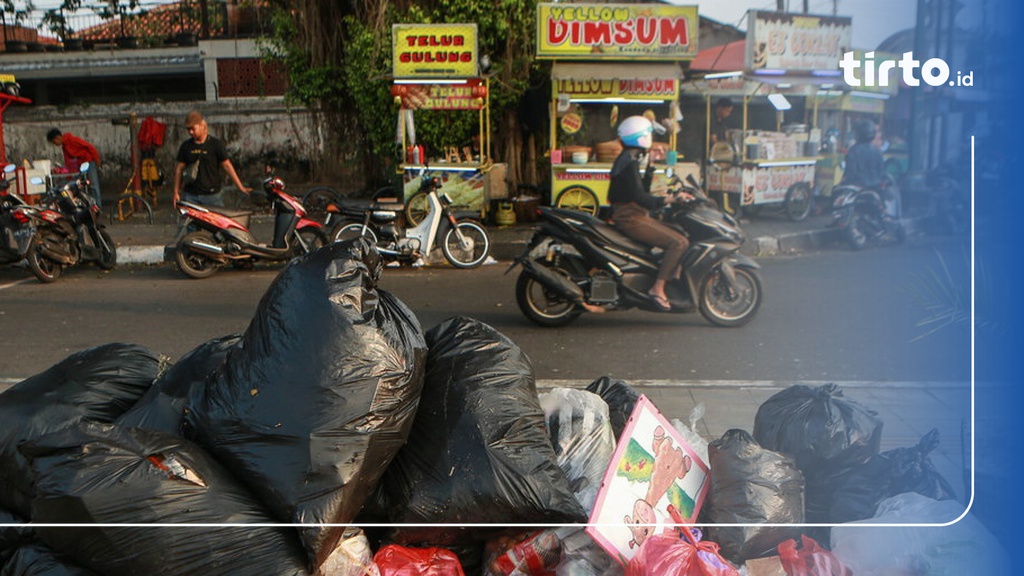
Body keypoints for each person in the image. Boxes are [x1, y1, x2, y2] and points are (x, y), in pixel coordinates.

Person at [608, 116, 692, 312]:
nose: (652, 138)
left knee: (680, 232)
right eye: (649, 134)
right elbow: (640, 198)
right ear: (641, 137)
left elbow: (640, 192)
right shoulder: (628, 162)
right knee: (679, 243)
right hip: (630, 217)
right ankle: (658, 288)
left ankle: (672, 275)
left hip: (634, 213)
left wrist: (651, 165)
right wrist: (668, 199)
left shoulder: (629, 158)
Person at [172, 110, 251, 207]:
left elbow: (227, 166)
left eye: (193, 128)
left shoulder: (215, 144)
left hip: (212, 196)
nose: (191, 132)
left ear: (201, 125)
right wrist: (176, 191)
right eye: (188, 129)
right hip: (190, 195)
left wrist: (240, 186)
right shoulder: (186, 146)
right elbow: (179, 169)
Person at [46, 127, 102, 207]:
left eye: (54, 142)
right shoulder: (64, 146)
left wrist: (97, 160)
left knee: (93, 185)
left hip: (88, 162)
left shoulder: (72, 140)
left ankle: (98, 206)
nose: (55, 144)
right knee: (80, 185)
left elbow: (90, 147)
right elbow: (68, 162)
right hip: (80, 166)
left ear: (57, 138)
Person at [842, 119, 884, 190]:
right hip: (876, 188)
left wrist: (844, 182)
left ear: (858, 134)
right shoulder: (878, 151)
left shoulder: (853, 150)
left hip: (857, 187)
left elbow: (850, 173)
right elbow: (881, 171)